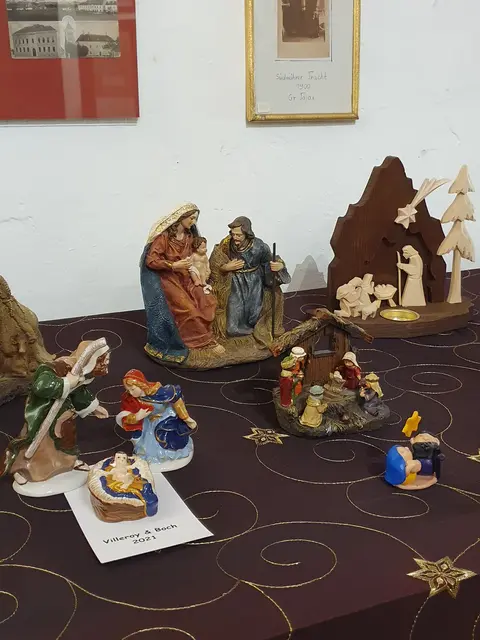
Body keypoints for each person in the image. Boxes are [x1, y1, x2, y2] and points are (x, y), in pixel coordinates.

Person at [0, 340, 110, 487]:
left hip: (63, 417)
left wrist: (93, 407)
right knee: (33, 442)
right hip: (44, 414)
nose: (106, 364)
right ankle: (22, 469)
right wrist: (66, 382)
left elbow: (78, 392)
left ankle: (67, 463)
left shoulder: (82, 373)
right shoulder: (54, 368)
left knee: (65, 440)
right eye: (104, 361)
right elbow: (41, 386)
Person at [141, 203, 224, 364]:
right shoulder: (164, 238)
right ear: (180, 218)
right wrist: (173, 265)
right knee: (188, 308)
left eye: (195, 219)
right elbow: (151, 261)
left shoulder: (189, 237)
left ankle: (201, 334)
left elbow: (196, 256)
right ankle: (204, 342)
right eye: (191, 218)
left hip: (187, 277)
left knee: (205, 299)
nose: (193, 222)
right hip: (168, 279)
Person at [209, 216, 291, 342]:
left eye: (238, 235)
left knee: (254, 313)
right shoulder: (226, 243)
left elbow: (270, 260)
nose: (235, 237)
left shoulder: (259, 246)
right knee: (232, 326)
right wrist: (226, 267)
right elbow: (215, 261)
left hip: (254, 282)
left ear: (247, 233)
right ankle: (240, 332)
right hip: (235, 283)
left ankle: (255, 330)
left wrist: (279, 266)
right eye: (233, 234)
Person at [116, 369, 197, 470]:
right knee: (146, 446)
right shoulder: (131, 399)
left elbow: (176, 397)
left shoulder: (158, 392)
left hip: (165, 418)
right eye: (128, 390)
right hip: (148, 423)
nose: (131, 393)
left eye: (132, 389)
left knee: (165, 437)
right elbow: (125, 414)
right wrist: (136, 417)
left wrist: (185, 417)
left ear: (140, 384)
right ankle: (151, 458)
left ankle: (166, 456)